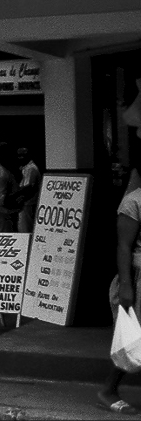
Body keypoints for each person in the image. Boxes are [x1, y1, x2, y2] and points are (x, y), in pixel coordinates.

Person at [100, 164, 141, 413]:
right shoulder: (133, 202)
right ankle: (108, 389)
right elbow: (124, 246)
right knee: (135, 338)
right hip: (138, 277)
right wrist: (126, 285)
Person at [0, 144, 22, 233]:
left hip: (6, 212)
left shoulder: (4, 169)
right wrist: (19, 197)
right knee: (8, 237)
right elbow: (2, 199)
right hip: (3, 212)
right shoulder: (0, 174)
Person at [16, 148, 42, 233]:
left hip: (28, 203)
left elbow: (28, 188)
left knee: (25, 229)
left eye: (23, 155)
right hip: (25, 203)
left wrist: (18, 199)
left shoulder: (31, 168)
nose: (20, 158)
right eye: (19, 155)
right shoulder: (24, 167)